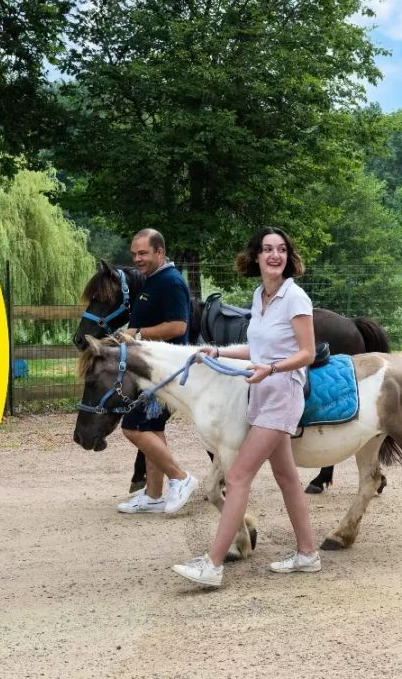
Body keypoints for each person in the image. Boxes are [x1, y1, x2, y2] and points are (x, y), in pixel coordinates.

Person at [172, 227, 318, 587]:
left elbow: (306, 353)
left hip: (282, 392)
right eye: (267, 249)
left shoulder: (295, 298)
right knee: (286, 477)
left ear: (288, 257)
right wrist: (217, 351)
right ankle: (308, 553)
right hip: (262, 391)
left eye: (281, 249)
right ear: (256, 256)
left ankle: (213, 564)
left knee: (236, 477)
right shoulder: (260, 296)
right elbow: (258, 349)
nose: (274, 255)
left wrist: (271, 368)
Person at [115, 229, 198, 515]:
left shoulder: (171, 282)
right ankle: (152, 495)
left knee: (133, 426)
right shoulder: (154, 280)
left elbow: (178, 327)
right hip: (153, 370)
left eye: (143, 253)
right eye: (134, 254)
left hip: (167, 371)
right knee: (151, 428)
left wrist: (137, 333)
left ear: (159, 252)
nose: (137, 259)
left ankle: (181, 478)